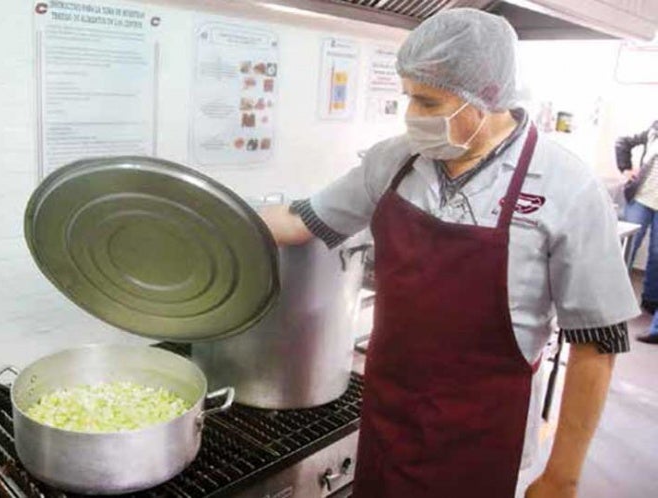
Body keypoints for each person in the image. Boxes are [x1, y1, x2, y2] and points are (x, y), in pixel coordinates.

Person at [262, 9, 639, 498]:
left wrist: (562, 477)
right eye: (408, 98)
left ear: (484, 99)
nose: (412, 115)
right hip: (389, 418)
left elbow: (597, 342)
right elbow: (300, 221)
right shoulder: (395, 161)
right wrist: (196, 220)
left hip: (484, 440)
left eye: (428, 101)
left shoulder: (566, 187)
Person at [617, 121, 658, 344]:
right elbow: (623, 142)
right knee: (626, 248)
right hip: (641, 199)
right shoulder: (654, 129)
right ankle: (614, 300)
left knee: (657, 256)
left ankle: (650, 302)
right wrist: (625, 168)